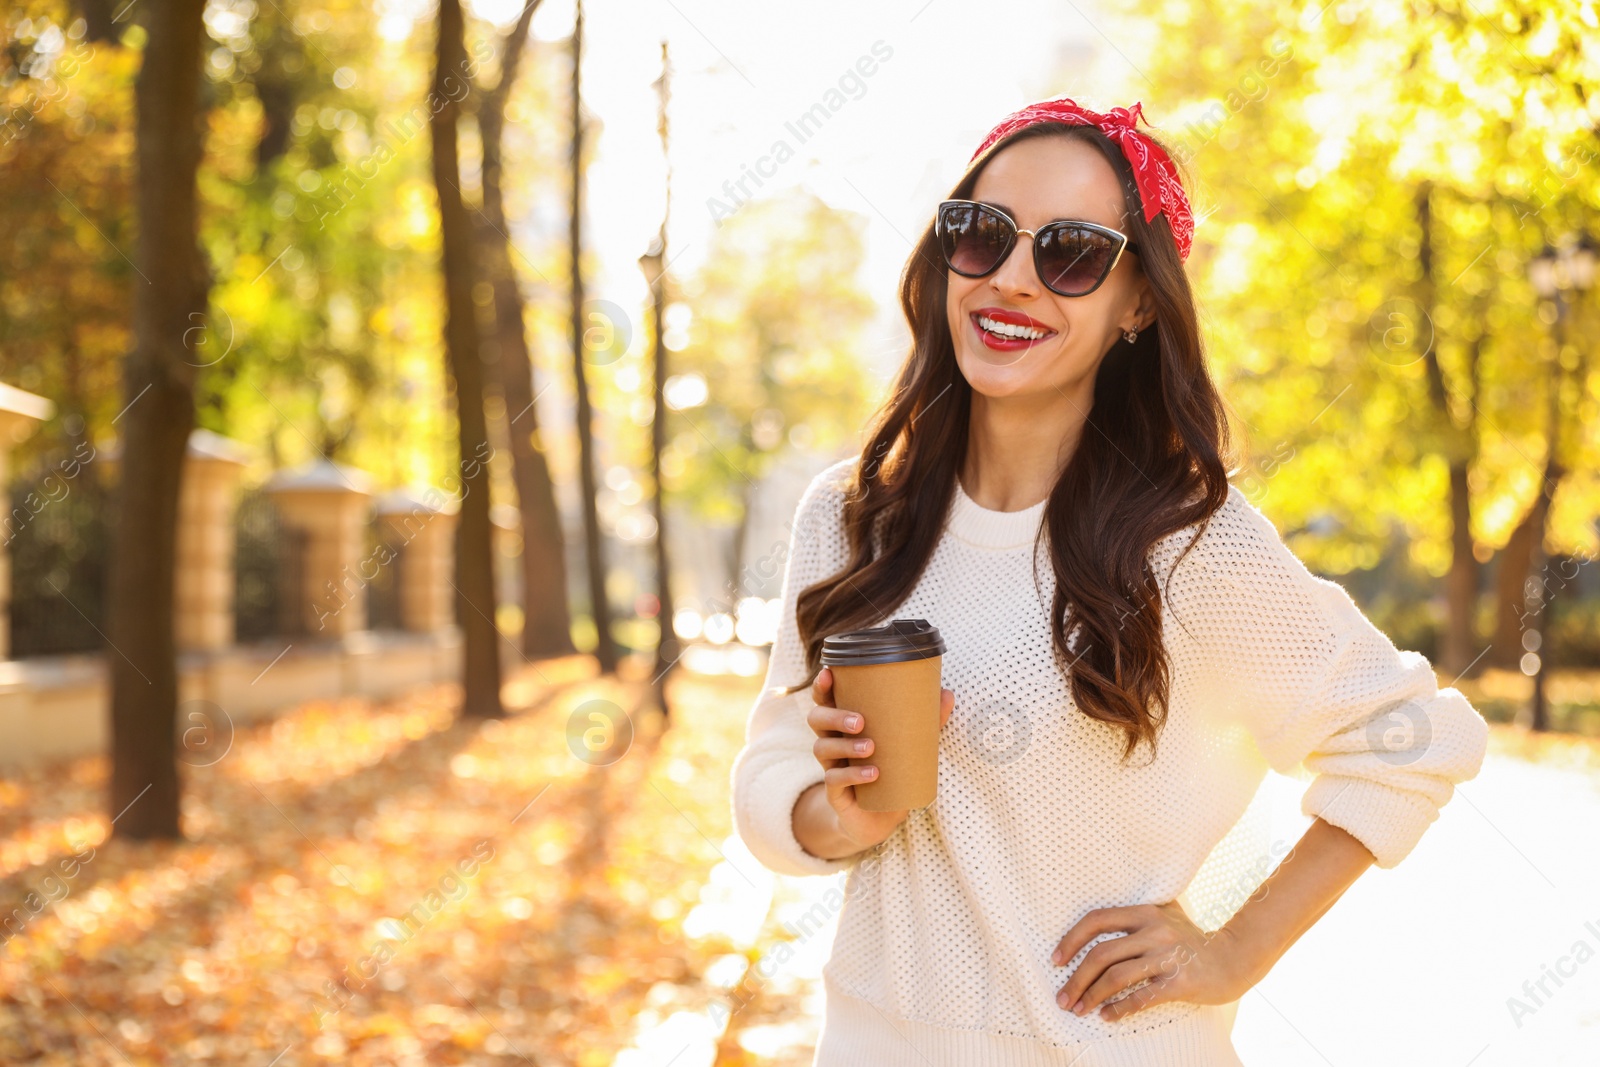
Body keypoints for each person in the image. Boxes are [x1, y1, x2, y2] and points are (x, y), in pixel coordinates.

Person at [729, 96, 1489, 1066]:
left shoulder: (1186, 542)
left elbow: (1414, 738)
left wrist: (1233, 942)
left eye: (1072, 253)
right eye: (982, 235)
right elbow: (769, 770)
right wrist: (838, 812)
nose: (1011, 280)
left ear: (1137, 301)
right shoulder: (849, 515)